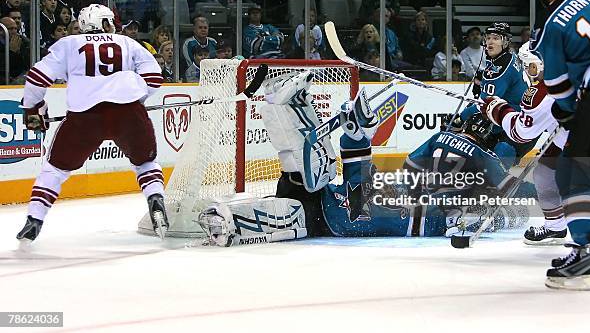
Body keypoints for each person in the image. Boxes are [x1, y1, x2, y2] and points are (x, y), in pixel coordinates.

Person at [197, 73, 530, 246]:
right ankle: (344, 133)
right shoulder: (489, 160)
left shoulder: (441, 140)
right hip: (383, 213)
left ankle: (292, 109)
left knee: (306, 184)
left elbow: (409, 167)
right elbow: (511, 204)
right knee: (310, 199)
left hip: (371, 198)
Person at [16, 4, 168, 242]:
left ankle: (34, 219)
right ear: (105, 23)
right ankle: (156, 200)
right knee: (146, 162)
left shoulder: (68, 44)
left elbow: (37, 77)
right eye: (111, 21)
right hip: (129, 113)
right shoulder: (128, 43)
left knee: (55, 169)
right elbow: (154, 77)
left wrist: (33, 108)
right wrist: (134, 98)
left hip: (84, 117)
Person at [530, 0, 590, 290]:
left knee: (571, 169)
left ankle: (586, 253)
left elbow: (559, 86)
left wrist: (567, 112)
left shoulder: (553, 27)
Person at [480, 43, 570, 246]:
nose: (527, 71)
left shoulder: (539, 94)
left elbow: (520, 133)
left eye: (527, 65)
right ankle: (556, 225)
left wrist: (497, 109)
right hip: (579, 131)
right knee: (544, 171)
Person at [460, 22, 534, 168]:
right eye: (488, 38)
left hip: (519, 127)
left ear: (505, 42)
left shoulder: (501, 66)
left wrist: (460, 117)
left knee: (497, 158)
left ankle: (495, 185)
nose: (490, 42)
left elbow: (484, 103)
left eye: (496, 38)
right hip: (510, 121)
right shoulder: (506, 58)